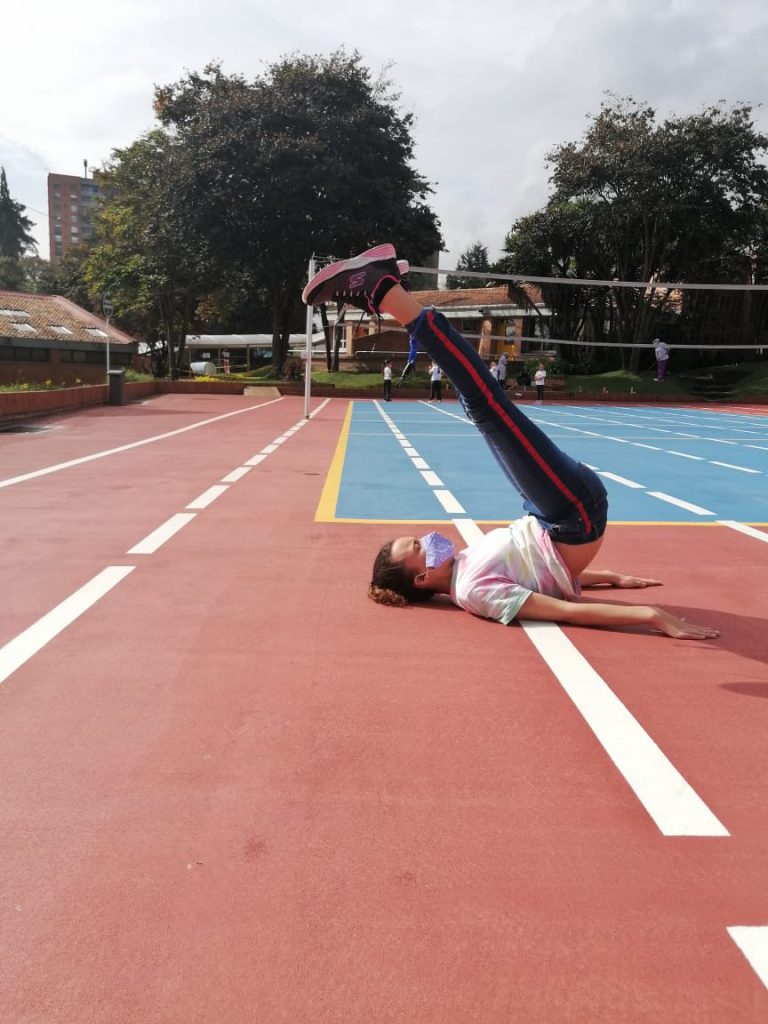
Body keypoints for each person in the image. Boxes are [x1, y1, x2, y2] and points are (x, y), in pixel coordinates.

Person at [302, 244, 718, 640]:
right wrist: (651, 615)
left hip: (552, 514)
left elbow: (539, 570)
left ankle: (390, 289)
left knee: (480, 410)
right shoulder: (473, 592)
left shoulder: (465, 562)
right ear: (423, 577)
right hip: (572, 516)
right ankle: (383, 290)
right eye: (416, 545)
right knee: (484, 404)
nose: (427, 536)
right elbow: (563, 610)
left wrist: (609, 577)